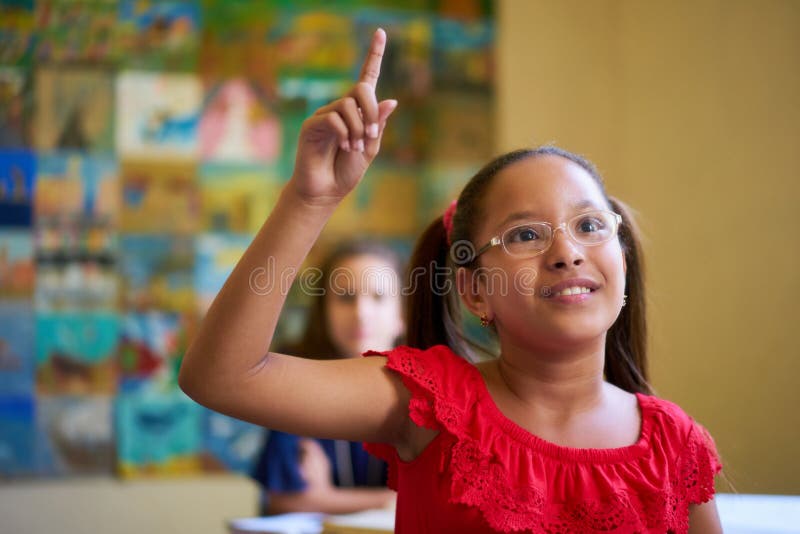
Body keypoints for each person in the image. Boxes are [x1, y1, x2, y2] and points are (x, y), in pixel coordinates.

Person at [180, 29, 723, 533]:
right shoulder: (433, 405)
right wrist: (309, 199)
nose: (566, 252)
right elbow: (220, 376)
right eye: (526, 235)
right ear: (474, 290)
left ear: (622, 262)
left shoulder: (679, 446)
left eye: (589, 225)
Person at [250, 239, 403, 515]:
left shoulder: (432, 392)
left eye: (378, 297)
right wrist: (386, 500)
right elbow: (285, 503)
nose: (361, 313)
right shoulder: (294, 390)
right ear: (324, 311)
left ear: (403, 313)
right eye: (345, 297)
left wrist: (325, 497)